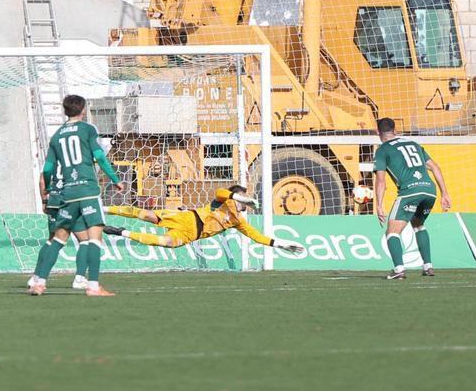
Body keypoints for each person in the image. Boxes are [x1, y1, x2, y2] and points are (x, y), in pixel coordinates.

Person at [28, 95, 122, 297]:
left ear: (64, 110)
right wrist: (115, 179)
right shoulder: (88, 129)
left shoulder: (57, 136)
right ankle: (93, 286)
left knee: (59, 239)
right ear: (83, 109)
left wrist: (47, 189)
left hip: (68, 193)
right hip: (88, 190)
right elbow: (99, 157)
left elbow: (48, 168)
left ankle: (39, 282)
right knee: (95, 238)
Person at [103, 185, 304, 255]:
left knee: (165, 243)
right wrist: (240, 198)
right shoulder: (223, 201)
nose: (246, 200)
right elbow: (220, 192)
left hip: (191, 234)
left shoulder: (238, 221)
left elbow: (257, 237)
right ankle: (104, 208)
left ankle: (121, 232)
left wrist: (282, 244)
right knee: (145, 214)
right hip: (185, 217)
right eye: (243, 196)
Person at [373, 117, 452, 280]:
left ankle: (399, 269)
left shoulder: (382, 150)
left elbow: (381, 181)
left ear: (378, 133)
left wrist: (379, 205)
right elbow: (435, 167)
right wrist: (445, 193)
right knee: (419, 224)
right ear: (395, 131)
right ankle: (428, 266)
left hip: (410, 191)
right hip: (430, 191)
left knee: (392, 232)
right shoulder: (414, 144)